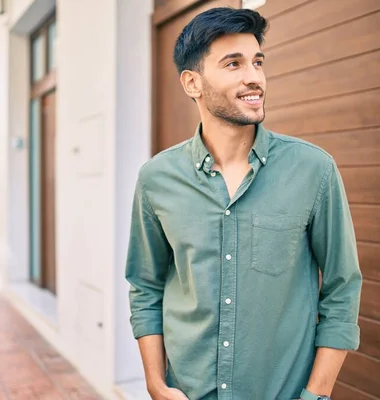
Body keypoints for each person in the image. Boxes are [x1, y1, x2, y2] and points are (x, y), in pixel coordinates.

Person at [125, 7, 362, 400]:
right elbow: (146, 287)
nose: (253, 76)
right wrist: (155, 382)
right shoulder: (156, 179)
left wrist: (316, 395)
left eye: (257, 62)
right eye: (233, 64)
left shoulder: (313, 169)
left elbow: (343, 289)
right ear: (192, 83)